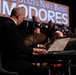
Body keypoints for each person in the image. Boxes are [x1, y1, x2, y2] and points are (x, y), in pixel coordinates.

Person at [0, 7, 48, 75]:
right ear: (18, 16)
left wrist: (34, 49)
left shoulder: (6, 24)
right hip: (9, 62)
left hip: (7, 60)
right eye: (23, 18)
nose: (23, 21)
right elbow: (17, 48)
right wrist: (33, 50)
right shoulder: (10, 26)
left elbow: (18, 45)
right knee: (40, 71)